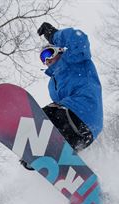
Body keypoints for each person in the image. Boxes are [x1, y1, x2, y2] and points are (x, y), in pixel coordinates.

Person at [19, 22, 103, 170]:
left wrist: (53, 35)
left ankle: (37, 145)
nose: (47, 60)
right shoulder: (53, 83)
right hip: (83, 133)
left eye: (48, 53)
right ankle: (49, 156)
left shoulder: (75, 59)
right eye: (43, 58)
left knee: (43, 116)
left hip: (82, 112)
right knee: (46, 119)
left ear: (58, 50)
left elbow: (79, 40)